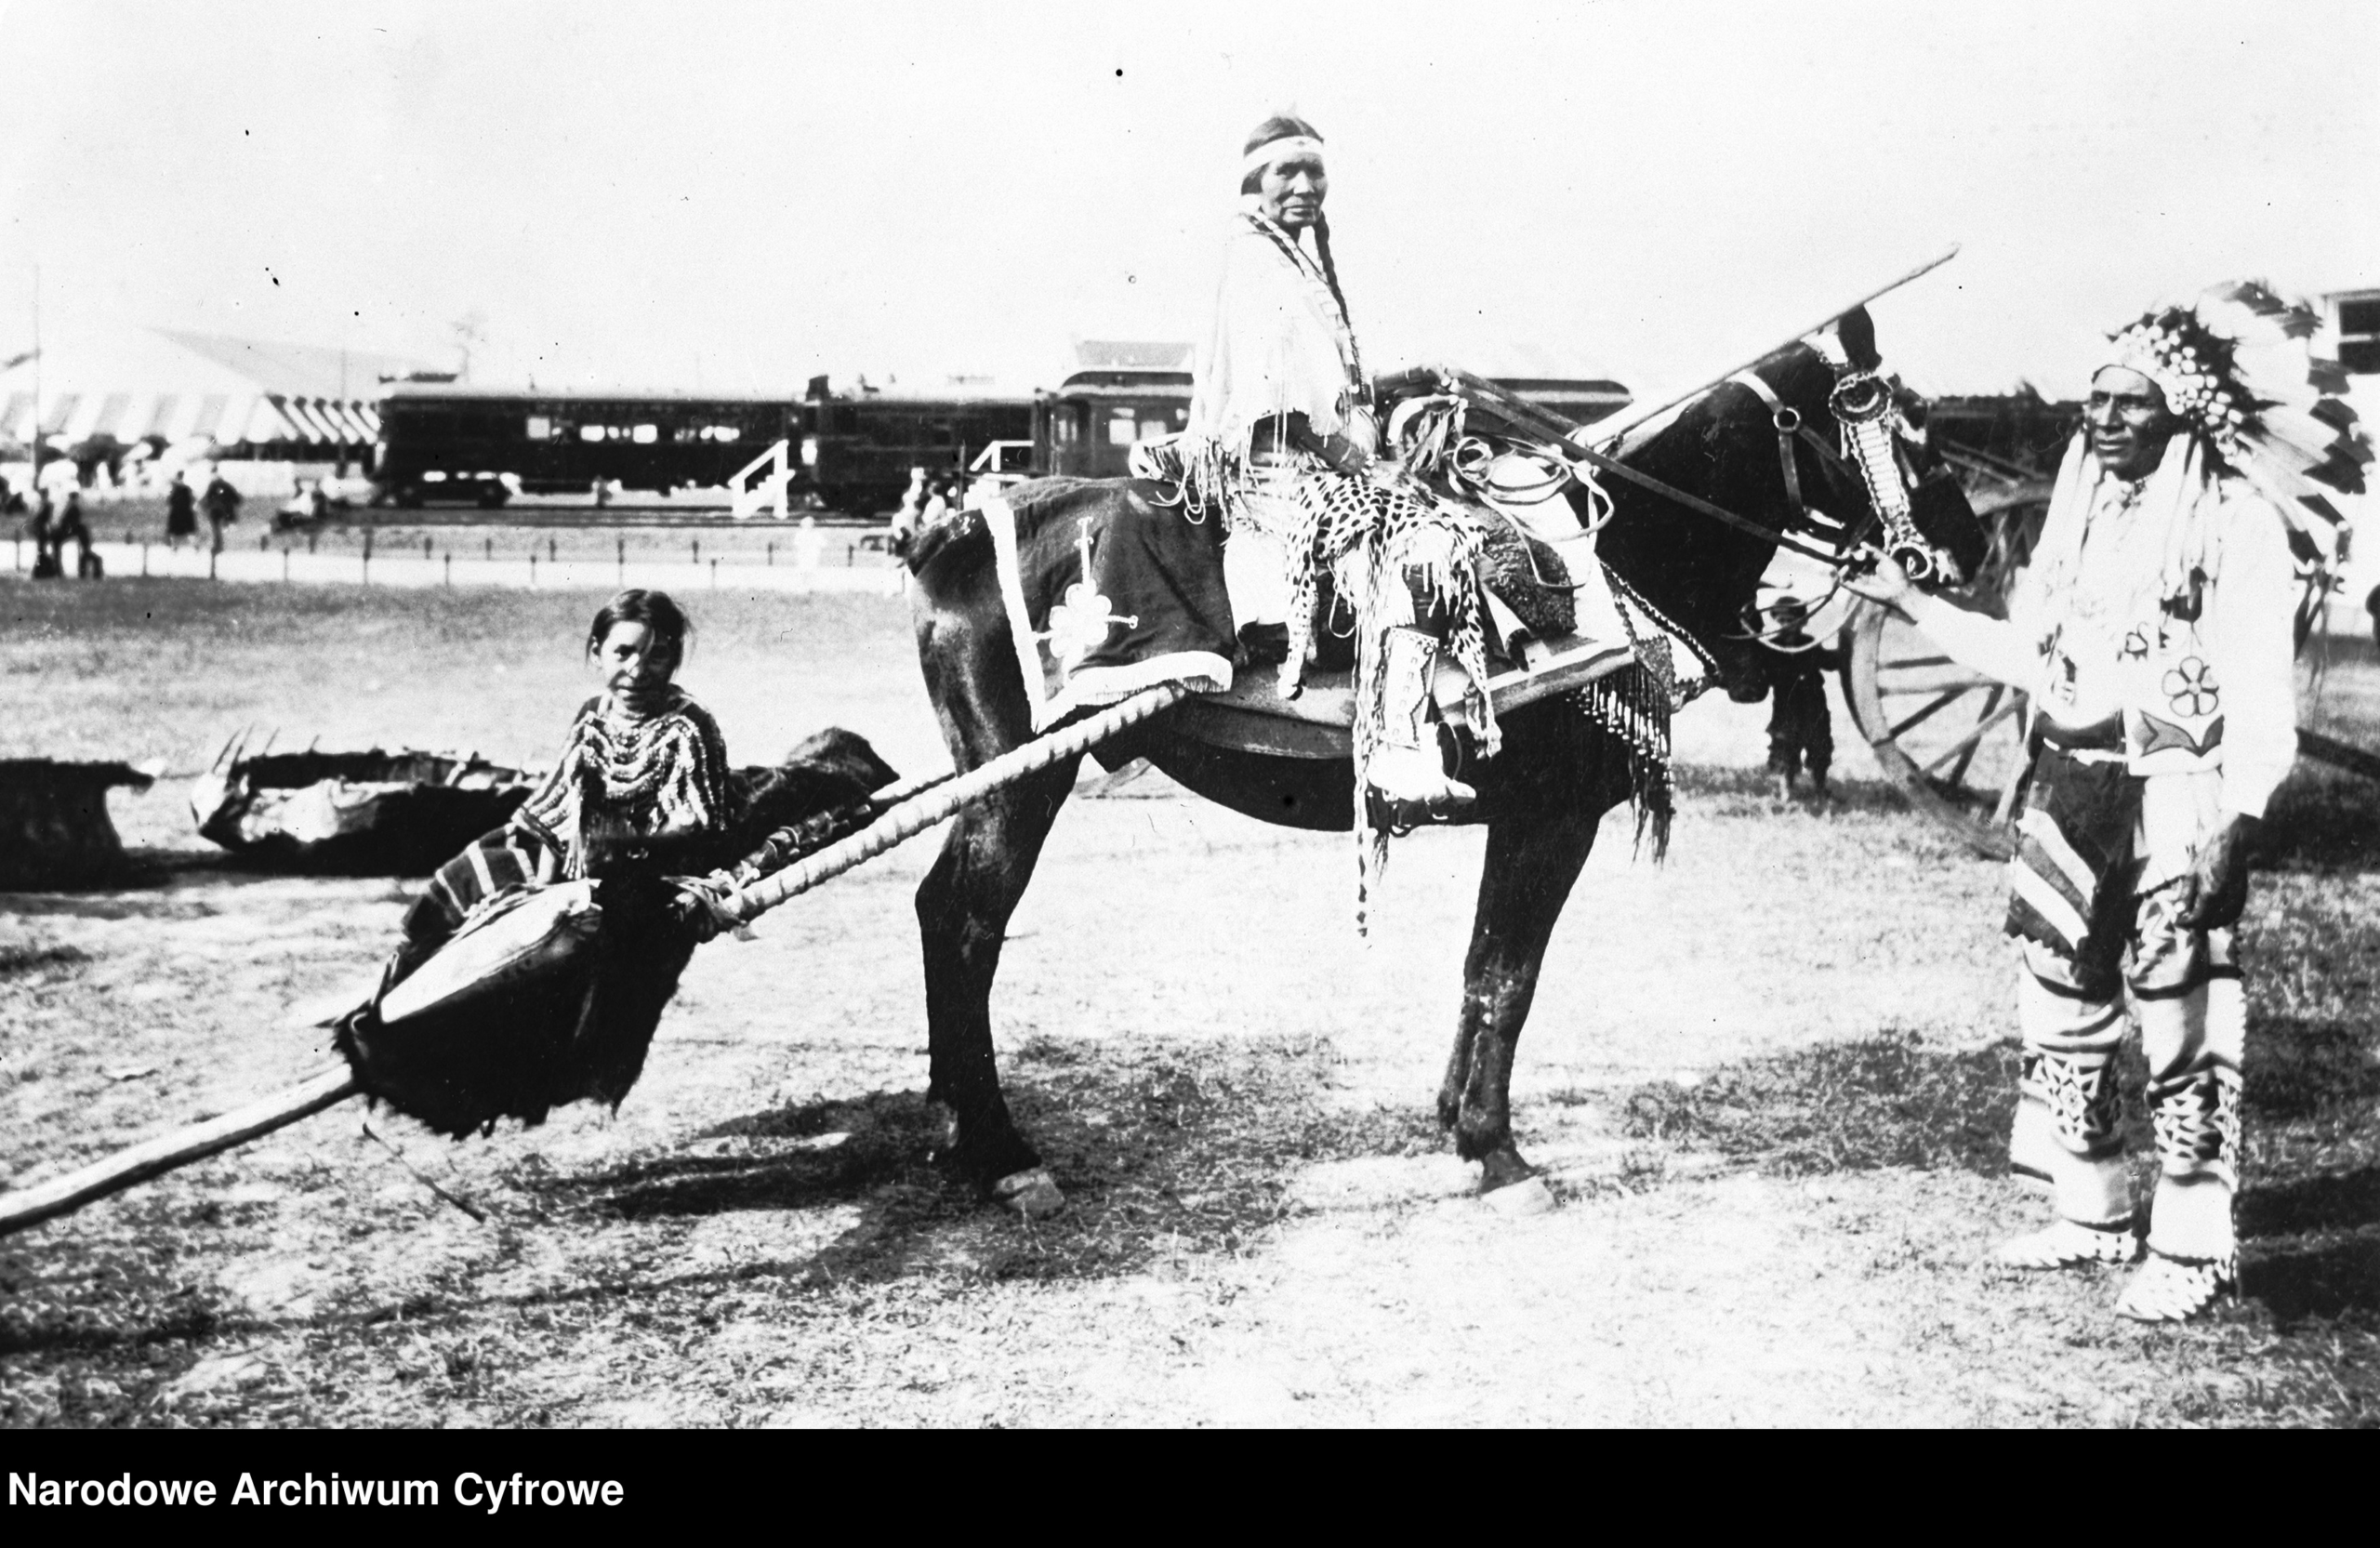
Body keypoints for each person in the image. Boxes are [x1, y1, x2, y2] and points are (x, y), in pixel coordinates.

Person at [1845, 283, 2370, 1321]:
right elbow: (2028, 663)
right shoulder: (2074, 527)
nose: (2106, 417)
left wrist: (2242, 819)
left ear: (2181, 419)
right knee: (2061, 1007)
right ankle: (2090, 1216)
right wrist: (1908, 600)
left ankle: (2191, 1246)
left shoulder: (2233, 525)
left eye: (2132, 402)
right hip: (2067, 794)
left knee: (2181, 1021)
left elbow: (2259, 692)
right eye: (2097, 399)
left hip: (2177, 796)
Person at [1178, 114, 1496, 834]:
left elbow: (1322, 384)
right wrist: (1369, 467)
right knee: (1430, 545)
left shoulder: (1293, 257)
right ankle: (1399, 750)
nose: (1302, 186)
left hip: (1312, 465)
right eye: (1284, 172)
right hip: (1281, 477)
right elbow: (1278, 408)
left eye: (1313, 172)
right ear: (1254, 183)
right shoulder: (1257, 259)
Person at [378, 589, 735, 992]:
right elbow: (563, 804)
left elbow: (700, 822)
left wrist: (623, 842)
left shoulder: (688, 725)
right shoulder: (592, 716)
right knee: (471, 869)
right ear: (598, 653)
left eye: (656, 656)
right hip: (576, 853)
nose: (638, 670)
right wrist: (543, 886)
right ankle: (403, 976)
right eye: (623, 653)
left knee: (607, 935)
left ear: (674, 660)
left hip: (649, 863)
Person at [1743, 595, 1842, 799]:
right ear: (1776, 621)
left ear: (1803, 622)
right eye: (1783, 621)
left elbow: (1828, 662)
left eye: (1792, 621)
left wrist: (1843, 653)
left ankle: (1820, 787)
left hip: (1813, 706)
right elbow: (1762, 673)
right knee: (1786, 748)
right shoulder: (1771, 647)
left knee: (1819, 746)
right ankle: (1786, 789)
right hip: (1786, 708)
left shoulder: (1808, 644)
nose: (1787, 625)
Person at [200, 470, 242, 551]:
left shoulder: (212, 485)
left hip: (214, 510)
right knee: (223, 525)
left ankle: (218, 544)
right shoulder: (227, 485)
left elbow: (207, 497)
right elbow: (236, 497)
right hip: (225, 510)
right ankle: (221, 543)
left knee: (215, 527)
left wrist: (204, 505)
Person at [165, 470, 199, 547]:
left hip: (176, 512)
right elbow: (193, 499)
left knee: (174, 531)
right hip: (186, 512)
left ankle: (175, 547)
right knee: (189, 531)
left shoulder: (175, 488)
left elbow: (169, 500)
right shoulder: (187, 488)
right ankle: (195, 546)